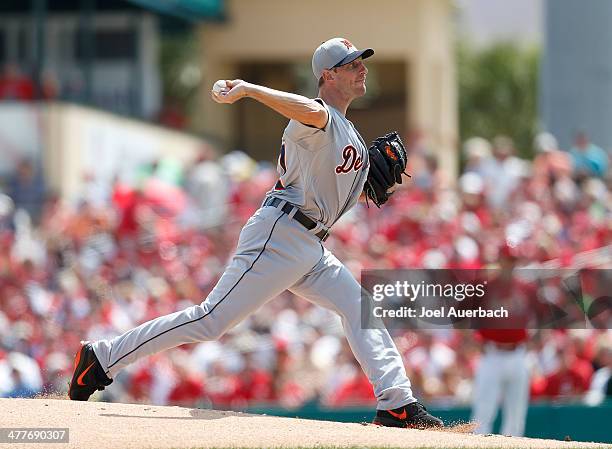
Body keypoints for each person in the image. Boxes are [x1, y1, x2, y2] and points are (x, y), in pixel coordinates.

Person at [68, 37, 443, 429]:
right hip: (280, 234)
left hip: (309, 244)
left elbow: (333, 180)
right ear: (328, 76)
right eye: (352, 65)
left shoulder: (345, 131)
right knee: (210, 320)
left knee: (358, 307)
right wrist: (248, 89)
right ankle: (101, 357)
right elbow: (308, 110)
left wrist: (368, 179)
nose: (362, 68)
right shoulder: (318, 117)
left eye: (361, 62)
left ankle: (398, 404)